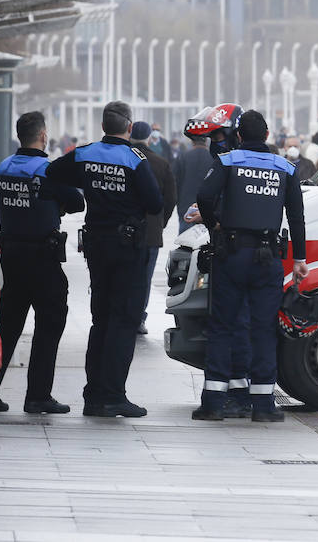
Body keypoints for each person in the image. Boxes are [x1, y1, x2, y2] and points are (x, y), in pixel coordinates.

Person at [45, 100, 162, 418]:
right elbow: (154, 202)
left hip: (96, 244)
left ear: (102, 127)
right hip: (127, 247)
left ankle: (94, 393)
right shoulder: (134, 158)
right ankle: (112, 395)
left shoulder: (84, 153)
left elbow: (51, 172)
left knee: (101, 320)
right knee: (123, 320)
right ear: (129, 127)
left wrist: (82, 193)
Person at [192, 110, 307, 423]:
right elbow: (297, 216)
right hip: (268, 257)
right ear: (267, 136)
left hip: (230, 254)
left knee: (223, 326)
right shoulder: (285, 168)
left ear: (239, 136)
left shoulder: (228, 162)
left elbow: (204, 194)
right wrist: (300, 259)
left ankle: (214, 403)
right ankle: (263, 405)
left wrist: (215, 222)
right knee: (263, 329)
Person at [0, 111, 83, 415]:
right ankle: (38, 395)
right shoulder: (48, 169)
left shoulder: (4, 166)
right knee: (50, 322)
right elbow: (77, 202)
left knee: (7, 325)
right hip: (42, 258)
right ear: (43, 135)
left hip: (11, 256)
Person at [130, 121, 176, 335]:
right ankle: (139, 317)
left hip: (124, 230)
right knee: (144, 279)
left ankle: (121, 313)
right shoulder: (161, 163)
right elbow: (170, 199)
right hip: (150, 231)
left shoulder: (123, 159)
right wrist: (161, 222)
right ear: (150, 137)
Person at [174, 131, 213, 234]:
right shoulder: (213, 158)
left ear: (192, 141)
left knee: (184, 244)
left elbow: (175, 182)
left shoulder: (183, 157)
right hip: (207, 210)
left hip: (186, 208)